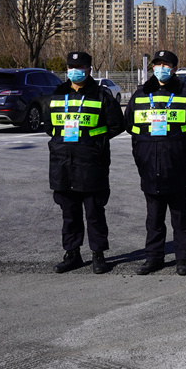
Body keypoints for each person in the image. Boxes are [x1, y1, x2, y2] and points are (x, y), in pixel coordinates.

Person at [124, 50, 186, 276]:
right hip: (149, 166)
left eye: (166, 64)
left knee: (180, 217)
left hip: (176, 165)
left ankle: (183, 260)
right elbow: (131, 126)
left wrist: (179, 148)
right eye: (157, 64)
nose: (161, 68)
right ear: (152, 67)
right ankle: (154, 259)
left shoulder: (185, 93)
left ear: (175, 68)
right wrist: (141, 156)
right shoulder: (140, 93)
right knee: (154, 218)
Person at [44, 51, 125, 274]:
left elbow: (117, 125)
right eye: (70, 66)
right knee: (69, 214)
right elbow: (48, 126)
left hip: (91, 163)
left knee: (94, 213)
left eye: (79, 67)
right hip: (62, 163)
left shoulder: (101, 95)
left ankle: (98, 255)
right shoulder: (57, 94)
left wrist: (94, 141)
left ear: (89, 70)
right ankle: (72, 254)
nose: (74, 71)